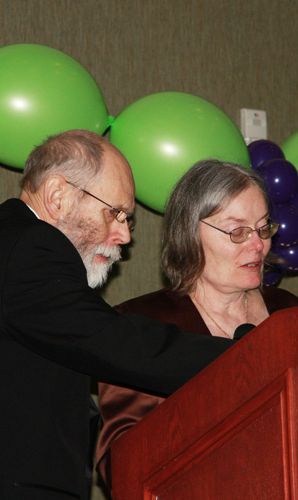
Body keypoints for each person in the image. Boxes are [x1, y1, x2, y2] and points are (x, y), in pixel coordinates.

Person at [0, 131, 235, 500]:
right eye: (114, 213)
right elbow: (117, 343)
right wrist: (249, 355)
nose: (124, 236)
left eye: (126, 219)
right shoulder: (30, 245)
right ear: (58, 196)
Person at [97, 159, 298, 491]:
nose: (258, 244)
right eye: (237, 231)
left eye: (263, 228)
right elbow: (120, 466)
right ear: (189, 233)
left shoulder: (288, 313)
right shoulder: (140, 324)